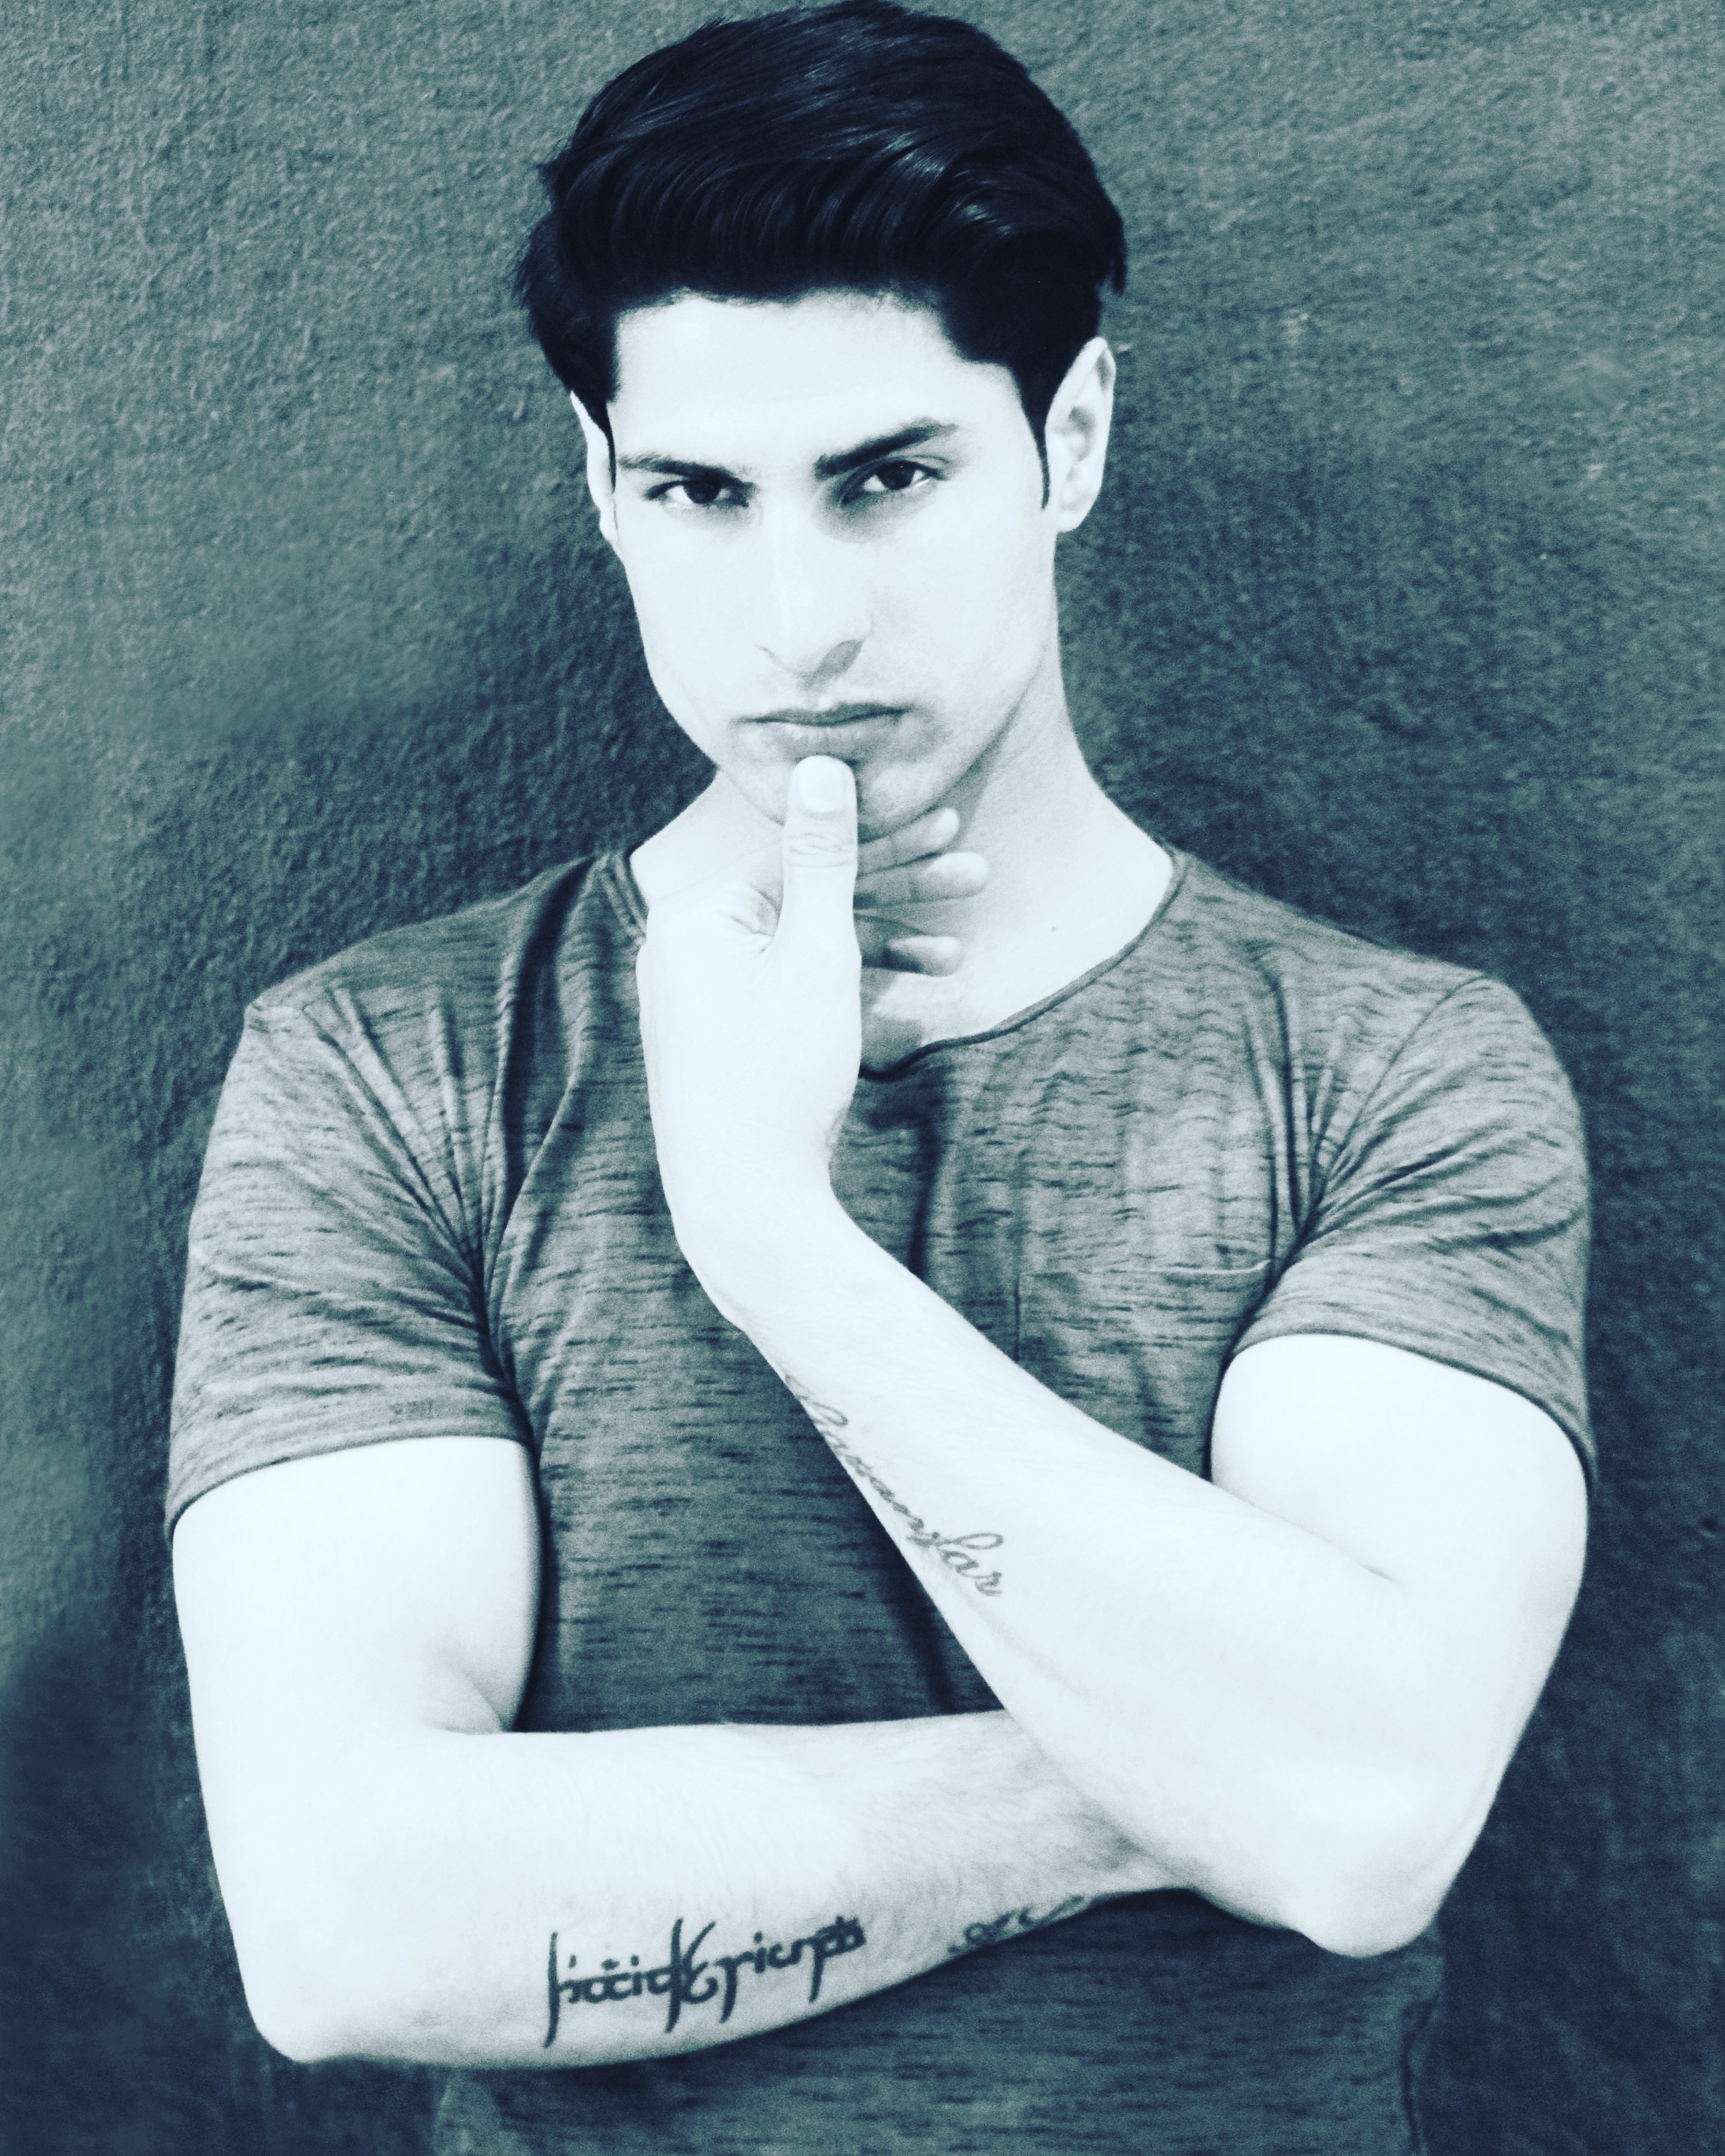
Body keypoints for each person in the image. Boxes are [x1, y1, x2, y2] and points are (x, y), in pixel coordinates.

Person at [168, 6, 1593, 2151]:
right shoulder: (389, 1073)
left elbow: (1366, 1827)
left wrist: (776, 1246)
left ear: (1071, 438)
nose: (799, 620)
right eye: (700, 494)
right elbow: (346, 1930)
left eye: (889, 479)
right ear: (604, 483)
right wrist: (1212, 1764)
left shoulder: (1392, 1073)